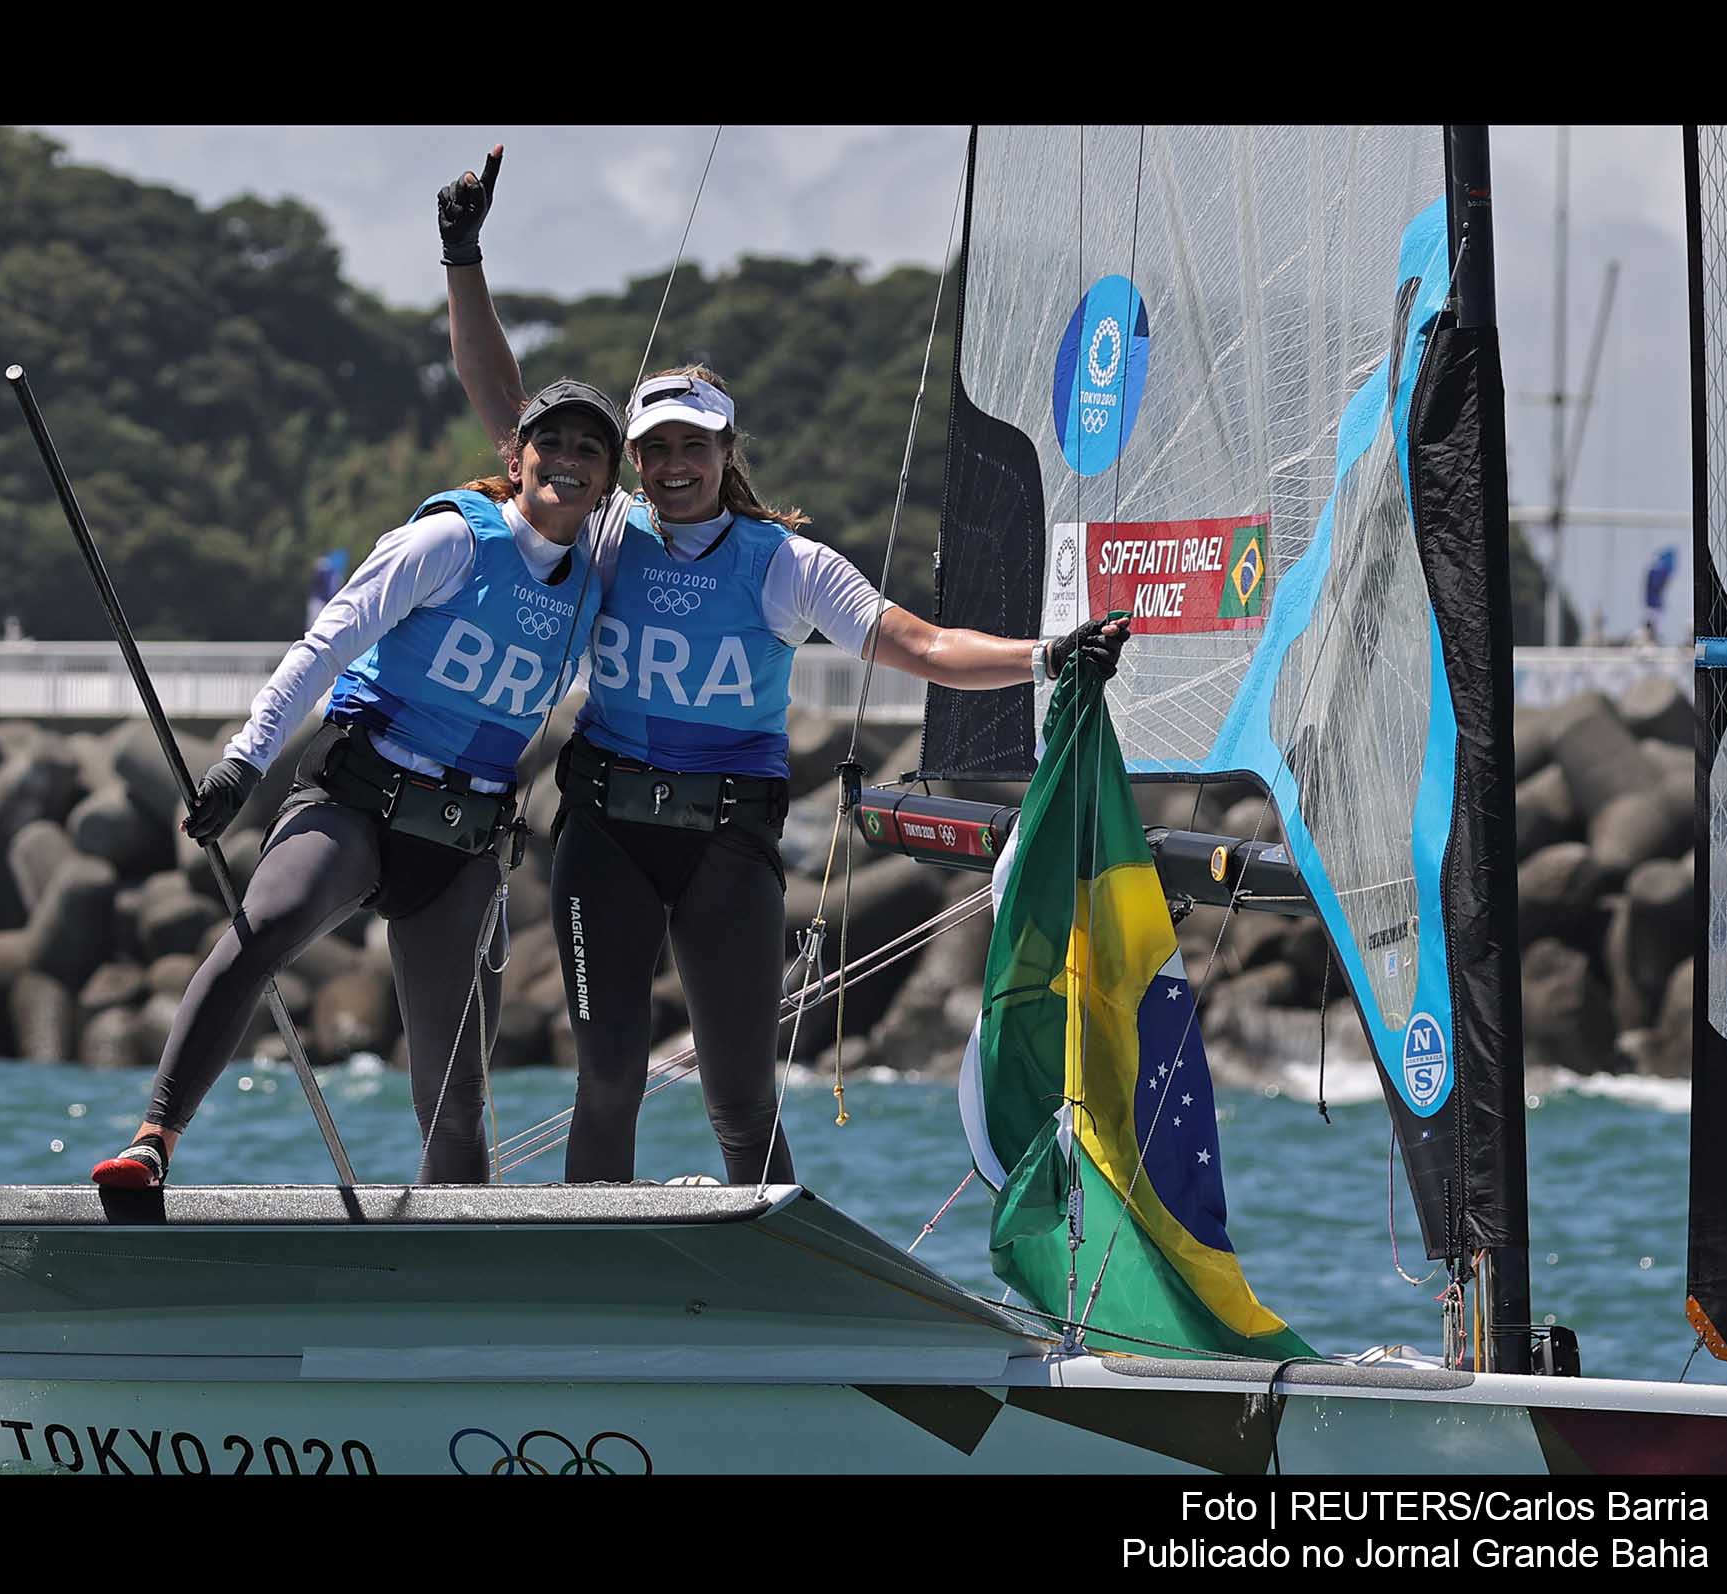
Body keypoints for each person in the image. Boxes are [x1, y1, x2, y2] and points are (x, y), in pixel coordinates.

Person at [438, 145, 1130, 1186]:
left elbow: (925, 647)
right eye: (656, 451)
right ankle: (593, 1265)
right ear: (633, 462)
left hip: (728, 842)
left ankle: (779, 1268)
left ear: (727, 455)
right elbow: (506, 407)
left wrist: (1049, 657)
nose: (674, 469)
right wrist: (463, 255)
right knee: (609, 1079)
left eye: (694, 450)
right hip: (607, 835)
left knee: (741, 1093)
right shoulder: (606, 530)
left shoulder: (785, 566)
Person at [93, 377, 625, 1190]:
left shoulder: (599, 580)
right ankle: (152, 1143)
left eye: (590, 449)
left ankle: (458, 1250)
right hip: (357, 802)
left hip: (463, 843)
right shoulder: (448, 542)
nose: (568, 460)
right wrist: (244, 762)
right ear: (515, 457)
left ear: (608, 480)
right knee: (263, 927)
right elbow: (325, 646)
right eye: (550, 442)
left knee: (454, 1098)